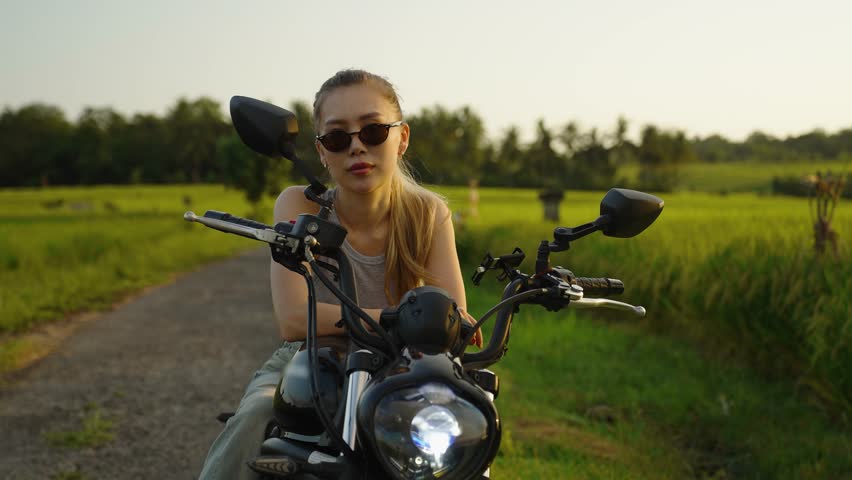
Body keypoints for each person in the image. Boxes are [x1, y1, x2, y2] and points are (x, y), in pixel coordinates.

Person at [198, 69, 482, 480]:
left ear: (401, 138)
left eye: (373, 131)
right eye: (337, 137)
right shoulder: (302, 205)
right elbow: (296, 319)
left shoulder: (428, 212)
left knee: (464, 426)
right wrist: (397, 316)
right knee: (258, 412)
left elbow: (452, 313)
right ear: (321, 152)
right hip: (313, 357)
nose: (356, 147)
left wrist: (446, 322)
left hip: (401, 362)